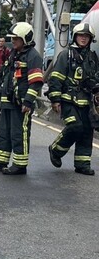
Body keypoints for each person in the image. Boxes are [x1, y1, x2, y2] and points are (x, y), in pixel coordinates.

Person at [0, 22, 44, 175]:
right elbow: (8, 77)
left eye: (16, 38)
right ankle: (0, 160)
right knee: (3, 132)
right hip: (8, 101)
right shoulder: (13, 54)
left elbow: (36, 83)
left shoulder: (33, 56)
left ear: (25, 39)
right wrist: (2, 99)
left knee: (19, 133)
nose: (13, 41)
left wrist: (28, 101)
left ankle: (20, 165)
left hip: (21, 103)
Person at [47, 22, 98, 175]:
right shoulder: (66, 55)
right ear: (75, 37)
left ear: (91, 39)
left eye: (87, 36)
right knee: (75, 127)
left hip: (87, 102)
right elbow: (55, 78)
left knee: (87, 132)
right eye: (81, 35)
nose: (84, 38)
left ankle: (82, 164)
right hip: (68, 100)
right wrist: (55, 99)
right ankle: (56, 149)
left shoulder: (93, 57)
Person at [0, 37, 11, 104]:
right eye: (0, 41)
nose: (1, 42)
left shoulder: (6, 50)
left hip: (2, 71)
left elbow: (7, 60)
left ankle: (1, 101)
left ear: (4, 42)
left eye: (2, 41)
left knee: (1, 86)